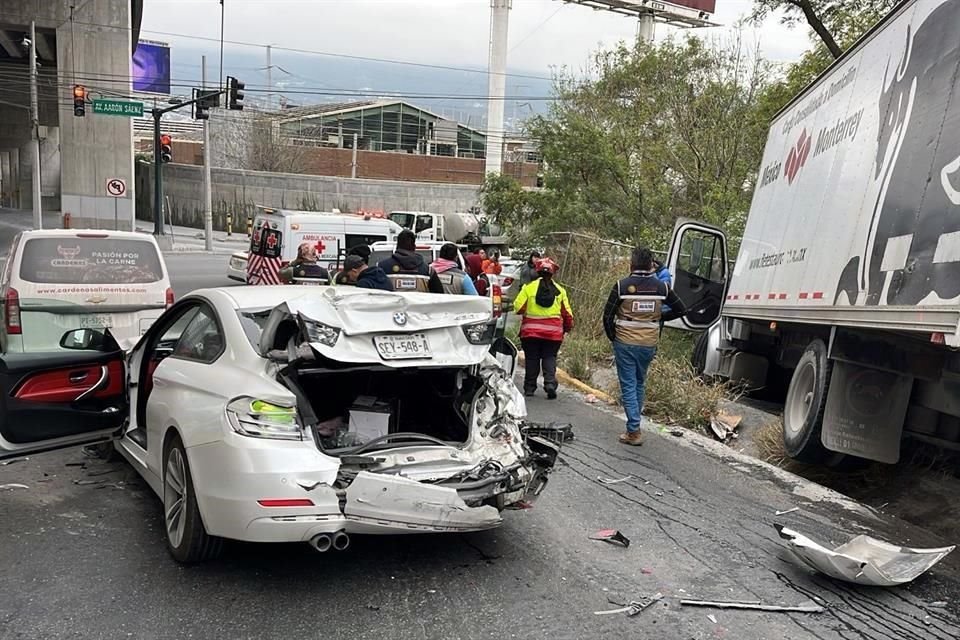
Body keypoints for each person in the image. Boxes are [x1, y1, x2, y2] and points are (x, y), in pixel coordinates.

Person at [603, 247, 687, 446]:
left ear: (631, 265)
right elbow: (681, 309)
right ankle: (634, 425)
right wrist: (657, 319)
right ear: (651, 265)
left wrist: (614, 337)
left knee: (629, 385)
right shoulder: (661, 288)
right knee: (639, 382)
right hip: (649, 343)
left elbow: (607, 316)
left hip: (625, 341)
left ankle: (634, 431)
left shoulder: (621, 286)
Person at [513, 257, 573, 399]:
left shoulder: (528, 288)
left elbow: (518, 307)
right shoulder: (560, 291)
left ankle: (529, 388)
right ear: (552, 274)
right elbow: (568, 314)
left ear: (537, 272)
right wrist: (567, 328)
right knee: (549, 357)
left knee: (532, 359)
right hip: (553, 334)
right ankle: (550, 384)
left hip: (530, 333)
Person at [377, 229, 442, 292]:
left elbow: (376, 294)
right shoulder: (428, 271)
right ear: (414, 246)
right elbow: (439, 297)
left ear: (397, 246)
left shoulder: (382, 268)